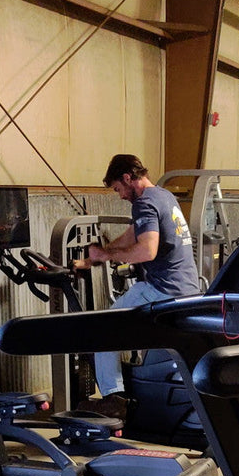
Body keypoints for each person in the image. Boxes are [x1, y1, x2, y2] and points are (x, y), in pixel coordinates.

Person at [78, 154, 201, 419]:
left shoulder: (144, 202)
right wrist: (94, 259)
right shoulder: (164, 196)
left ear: (127, 178)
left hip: (163, 289)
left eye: (118, 189)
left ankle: (113, 398)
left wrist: (108, 255)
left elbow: (146, 250)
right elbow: (133, 234)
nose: (121, 196)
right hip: (188, 289)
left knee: (103, 327)